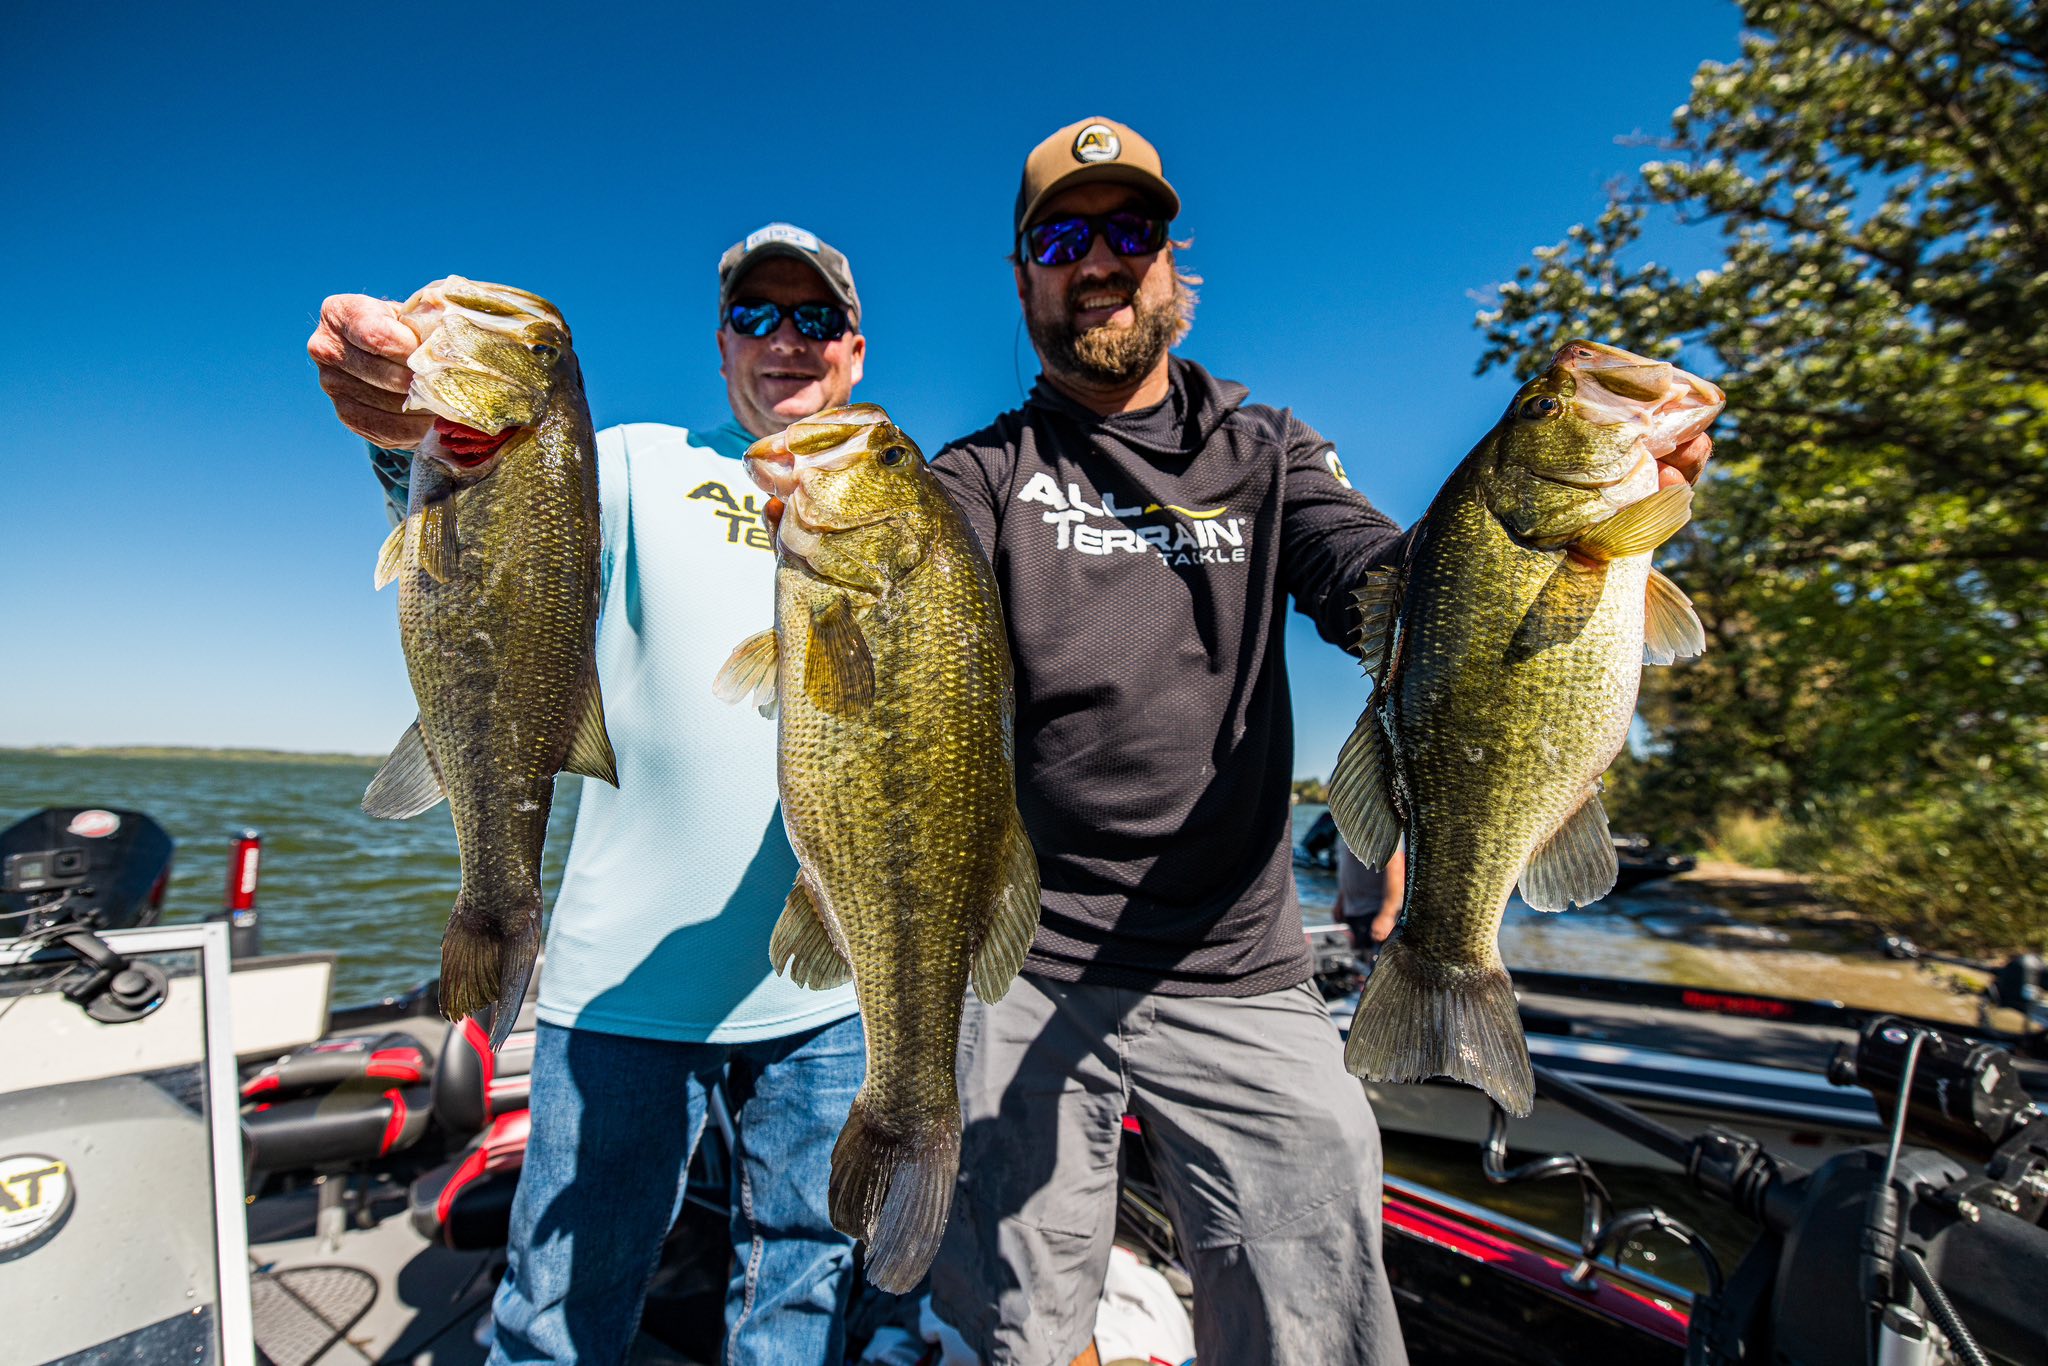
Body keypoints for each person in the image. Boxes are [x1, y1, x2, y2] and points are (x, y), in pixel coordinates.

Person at [923, 117, 1714, 1365]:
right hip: (1025, 963)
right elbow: (915, 674)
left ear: (1175, 263)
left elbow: (1377, 586)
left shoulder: (1267, 451)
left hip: (1237, 958)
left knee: (1319, 1326)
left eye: (1128, 231)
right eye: (1061, 237)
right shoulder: (976, 476)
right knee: (1019, 1326)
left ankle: (1445, 981)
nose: (1099, 261)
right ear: (1022, 274)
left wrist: (1616, 515)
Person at [306, 223, 873, 1364]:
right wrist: (400, 424)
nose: (785, 341)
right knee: (563, 1307)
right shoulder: (622, 459)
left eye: (813, 319)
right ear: (721, 345)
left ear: (852, 350)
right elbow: (470, 503)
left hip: (825, 990)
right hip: (617, 985)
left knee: (803, 1296)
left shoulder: (891, 501)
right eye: (757, 316)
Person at [1334, 839, 1406, 958]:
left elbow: (1396, 867)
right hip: (1355, 910)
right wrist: (1341, 901)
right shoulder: (1346, 825)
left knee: (1373, 965)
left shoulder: (1380, 824)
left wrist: (1387, 915)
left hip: (1374, 911)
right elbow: (1347, 865)